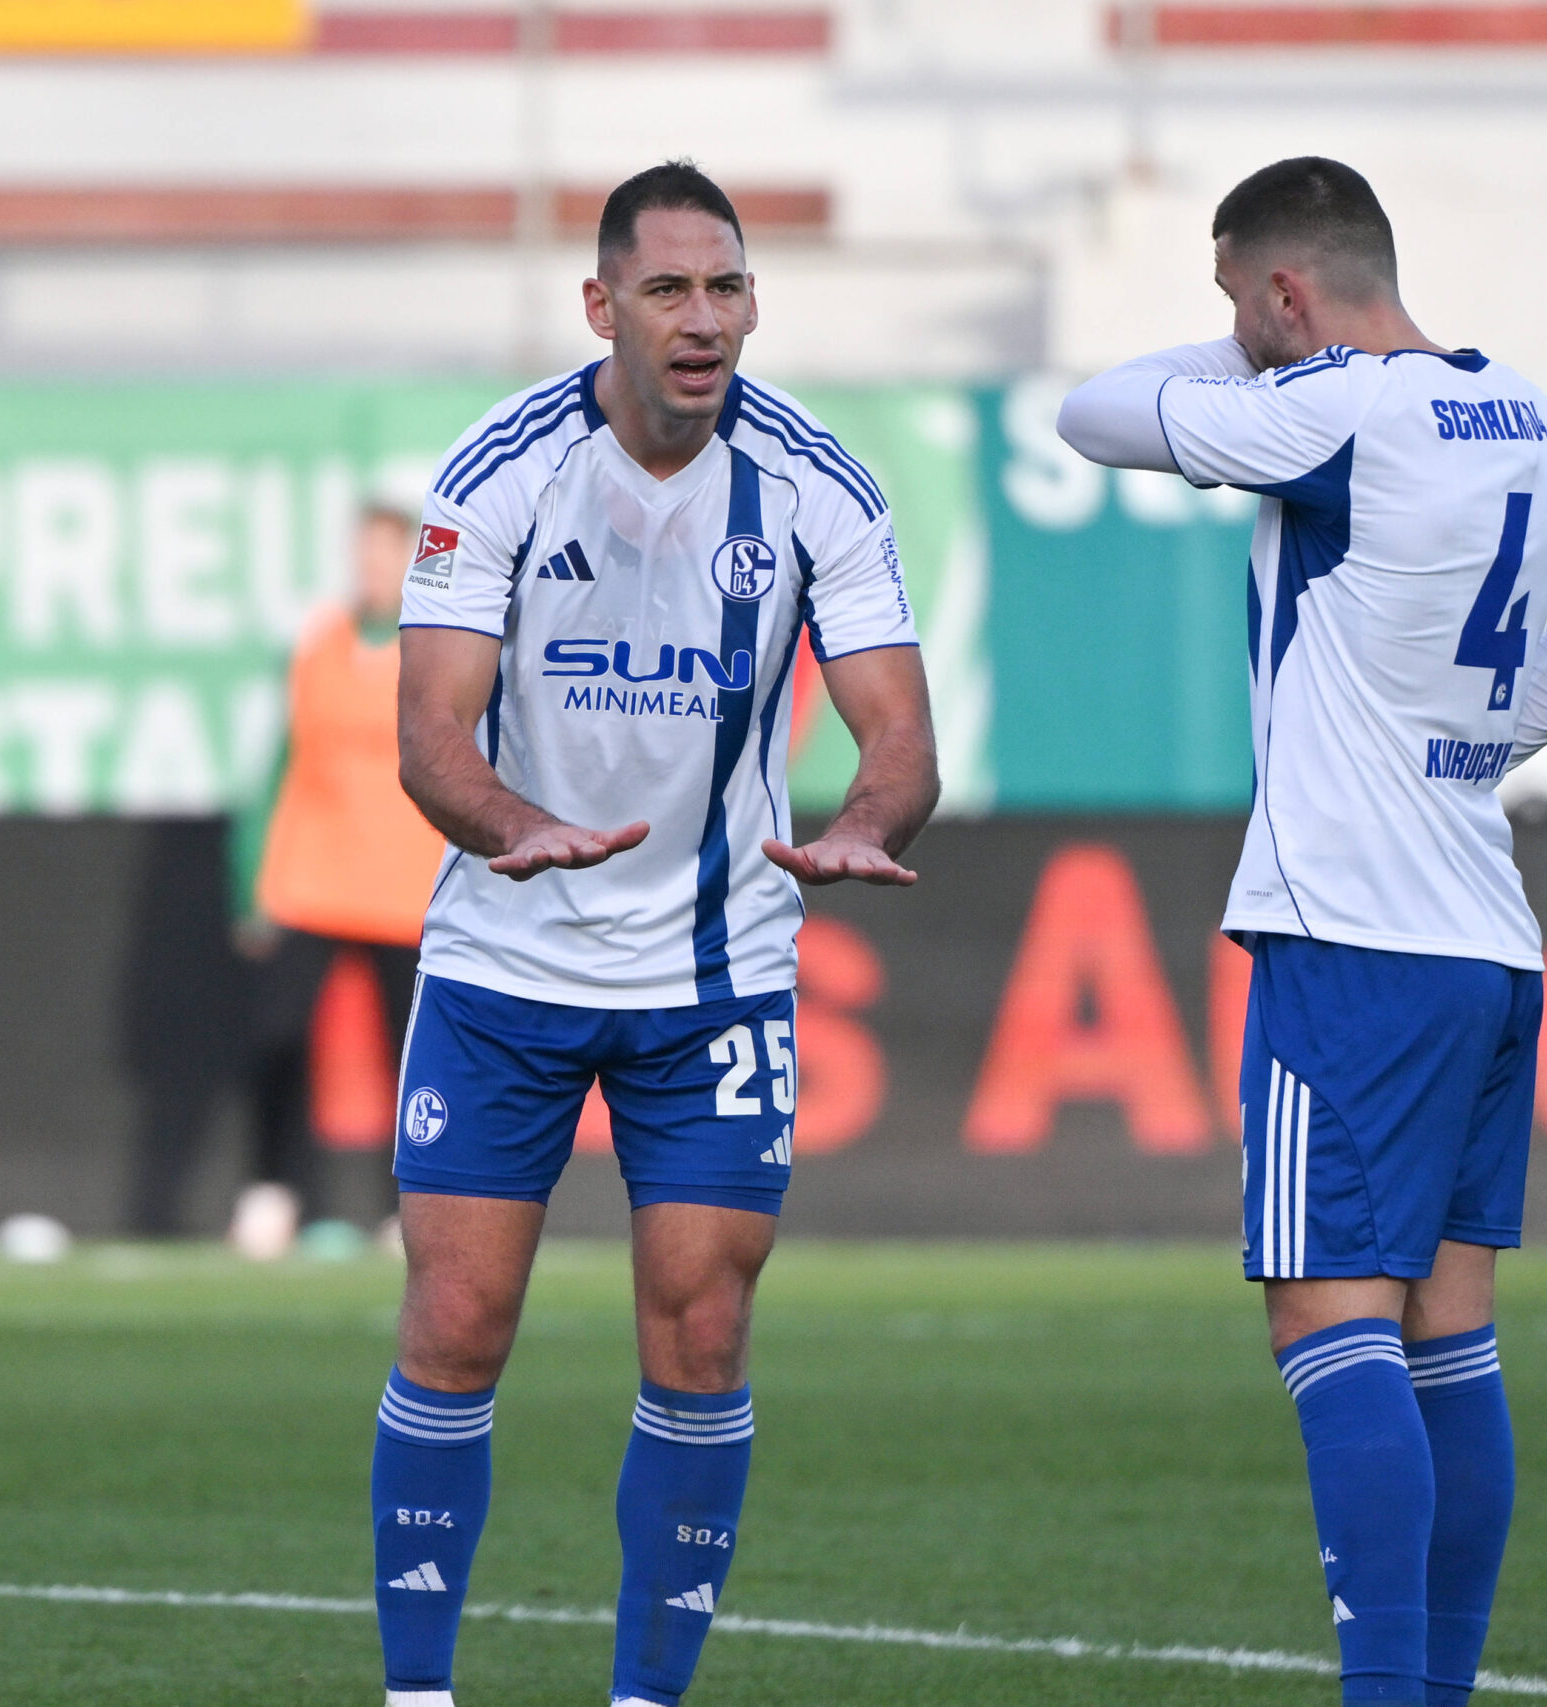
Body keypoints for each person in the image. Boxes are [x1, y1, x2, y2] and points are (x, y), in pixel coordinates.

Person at [1056, 156, 1547, 1707]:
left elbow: (1093, 412)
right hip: (1484, 929)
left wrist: (1261, 355)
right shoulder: (1519, 409)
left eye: (1233, 301)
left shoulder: (1335, 408)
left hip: (1349, 938)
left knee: (1331, 1322)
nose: (1229, 329)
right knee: (1449, 1335)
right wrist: (1474, 748)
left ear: (1283, 291)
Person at [372, 160, 939, 1707]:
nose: (704, 320)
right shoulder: (500, 471)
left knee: (702, 1325)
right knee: (458, 1315)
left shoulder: (822, 483)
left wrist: (872, 821)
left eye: (730, 287)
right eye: (671, 289)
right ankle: (417, 1694)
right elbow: (429, 733)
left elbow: (900, 732)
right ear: (602, 304)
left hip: (717, 970)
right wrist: (510, 827)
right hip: (507, 960)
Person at [239, 501, 447, 1231]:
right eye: (364, 553)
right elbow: (277, 766)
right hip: (312, 876)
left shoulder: (439, 647)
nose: (373, 568)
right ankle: (272, 1190)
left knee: (414, 1052)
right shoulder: (317, 643)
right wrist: (251, 884)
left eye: (388, 553)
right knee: (276, 1035)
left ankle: (409, 1208)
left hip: (404, 879)